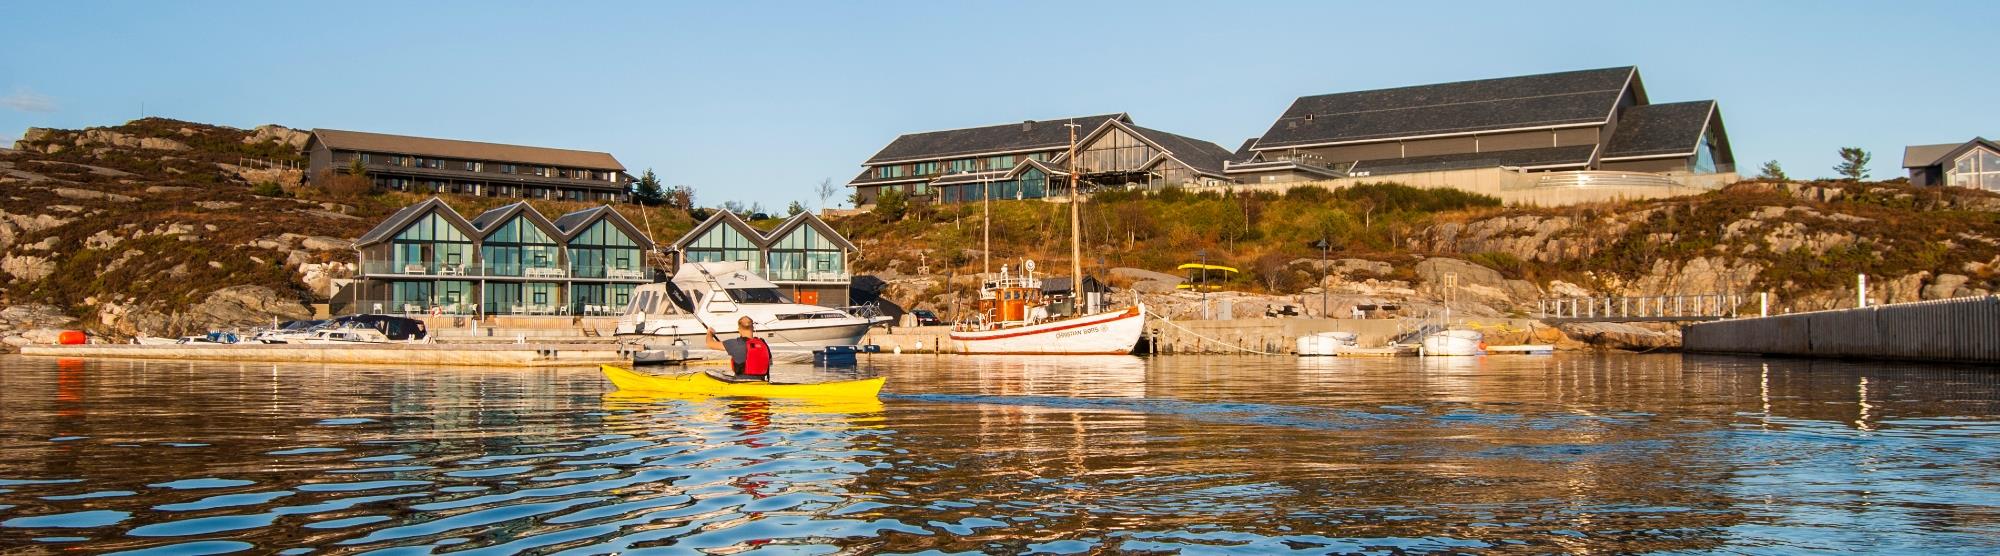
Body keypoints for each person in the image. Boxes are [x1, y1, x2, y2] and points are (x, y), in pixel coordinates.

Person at [705, 316, 772, 381]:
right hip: (761, 383)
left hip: (740, 383)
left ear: (739, 330)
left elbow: (710, 344)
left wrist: (710, 333)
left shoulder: (734, 344)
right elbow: (770, 363)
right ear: (753, 328)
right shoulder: (763, 344)